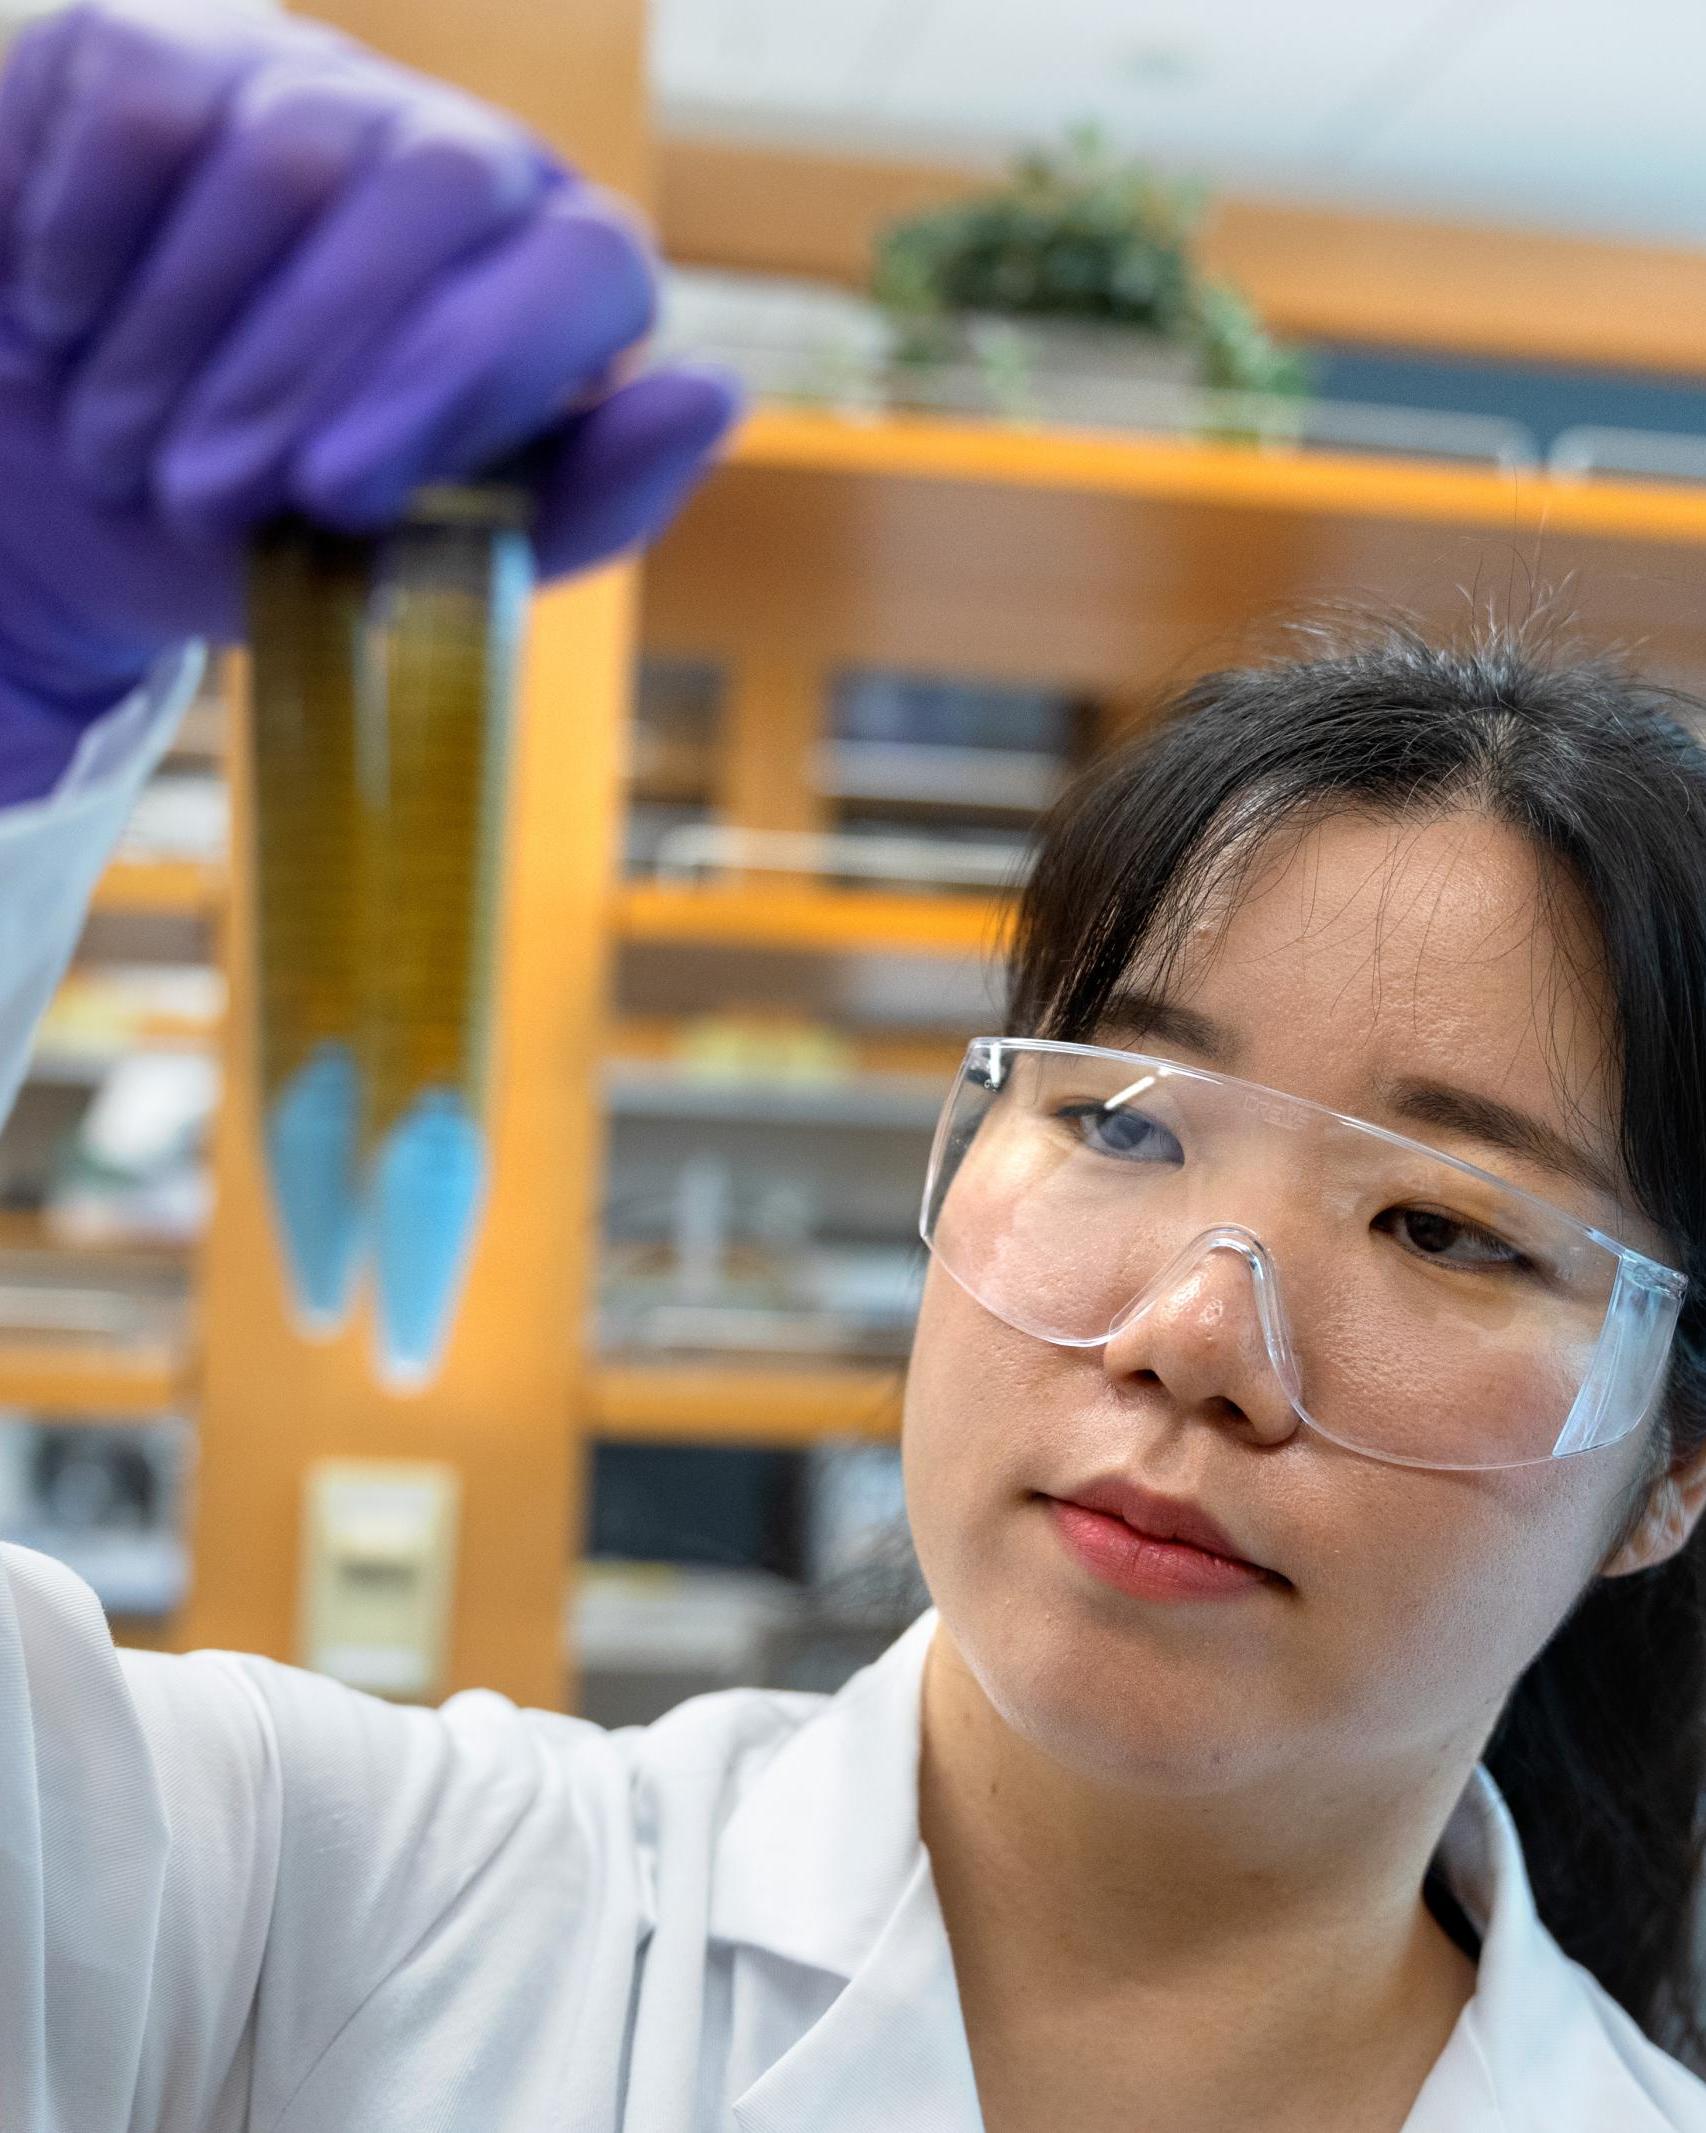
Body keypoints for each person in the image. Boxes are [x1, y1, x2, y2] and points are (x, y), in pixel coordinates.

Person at [0, 3, 1702, 2129]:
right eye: (1122, 1116)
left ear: (1669, 1465)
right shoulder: (331, 1914)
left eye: (1444, 1221)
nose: (1192, 1332)